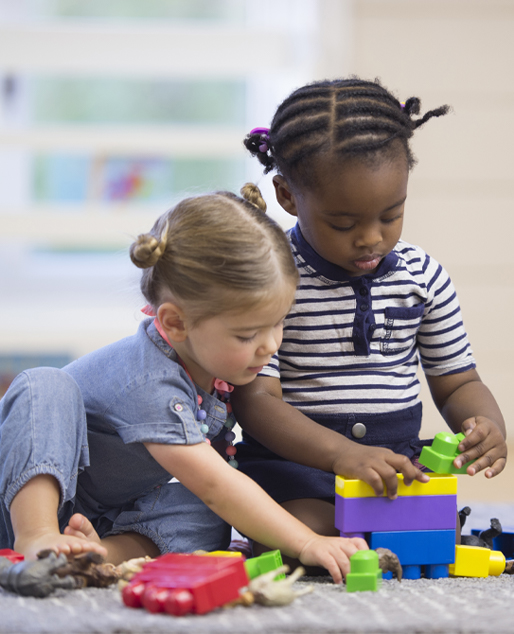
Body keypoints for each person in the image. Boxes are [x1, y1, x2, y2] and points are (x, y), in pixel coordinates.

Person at [0, 184, 367, 583]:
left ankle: (96, 556)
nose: (270, 346)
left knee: (207, 514)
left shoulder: (210, 368)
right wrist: (308, 542)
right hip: (17, 499)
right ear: (175, 323)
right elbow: (215, 481)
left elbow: (213, 490)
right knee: (45, 386)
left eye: (278, 323)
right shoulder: (151, 379)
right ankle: (37, 538)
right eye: (247, 335)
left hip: (94, 516)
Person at [232, 78, 507, 551]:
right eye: (343, 223)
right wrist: (341, 456)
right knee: (306, 531)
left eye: (391, 215)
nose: (371, 239)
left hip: (392, 467)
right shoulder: (272, 281)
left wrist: (485, 424)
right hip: (299, 468)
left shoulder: (424, 278)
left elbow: (457, 381)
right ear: (288, 196)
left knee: (433, 535)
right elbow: (256, 401)